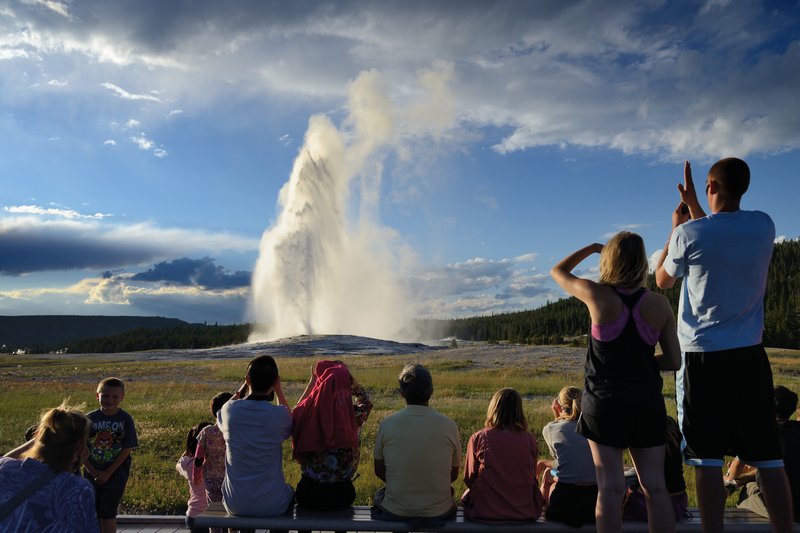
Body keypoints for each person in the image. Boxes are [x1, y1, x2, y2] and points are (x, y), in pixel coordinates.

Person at [655, 158, 794, 532]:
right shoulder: (763, 225)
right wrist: (697, 207)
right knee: (768, 457)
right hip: (750, 356)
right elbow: (718, 230)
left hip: (703, 357)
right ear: (742, 187)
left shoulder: (689, 235)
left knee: (706, 458)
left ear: (711, 187)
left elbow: (663, 280)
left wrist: (675, 228)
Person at [551, 231, 681, 533]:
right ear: (641, 262)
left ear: (611, 259)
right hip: (646, 404)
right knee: (655, 488)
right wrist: (642, 362)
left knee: (609, 488)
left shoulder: (598, 296)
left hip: (604, 404)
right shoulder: (659, 305)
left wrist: (594, 247)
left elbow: (557, 271)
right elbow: (674, 362)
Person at [372, 364, 461, 527]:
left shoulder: (387, 424)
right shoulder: (449, 425)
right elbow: (453, 475)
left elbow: (379, 470)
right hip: (439, 511)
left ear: (401, 393)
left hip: (396, 510)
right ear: (431, 392)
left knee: (380, 496)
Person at [0, 402, 99, 532]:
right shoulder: (76, 488)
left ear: (37, 436)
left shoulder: (6, 469)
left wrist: (39, 437)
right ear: (80, 445)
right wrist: (77, 460)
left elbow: (6, 459)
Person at [218, 354, 293, 520]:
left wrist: (242, 387)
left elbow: (219, 413)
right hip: (272, 503)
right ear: (275, 381)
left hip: (235, 503)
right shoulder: (278, 415)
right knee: (290, 493)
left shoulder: (230, 410)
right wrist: (279, 391)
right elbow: (291, 422)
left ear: (248, 380)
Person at [291, 360, 373, 512]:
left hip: (309, 494)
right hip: (342, 495)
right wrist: (353, 383)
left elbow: (296, 411)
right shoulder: (353, 415)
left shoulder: (307, 412)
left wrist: (313, 384)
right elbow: (366, 402)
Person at [461, 388, 544, 522]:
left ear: (493, 408)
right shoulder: (529, 439)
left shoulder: (479, 438)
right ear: (519, 411)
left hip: (485, 511)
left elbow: (469, 478)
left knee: (466, 496)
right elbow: (532, 476)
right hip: (524, 511)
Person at [725, 386, 800, 524]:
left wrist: (729, 478)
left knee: (748, 491)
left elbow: (736, 466)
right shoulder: (795, 429)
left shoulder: (764, 433)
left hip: (784, 510)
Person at [84, 377, 139, 533]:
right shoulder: (89, 419)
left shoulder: (125, 419)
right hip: (91, 472)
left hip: (116, 473)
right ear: (97, 395)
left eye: (115, 396)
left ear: (122, 397)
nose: (109, 400)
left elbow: (127, 447)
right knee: (93, 510)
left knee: (107, 511)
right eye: (105, 395)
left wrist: (108, 473)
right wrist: (92, 470)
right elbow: (81, 447)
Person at [537, 386, 598, 527]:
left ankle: (541, 507)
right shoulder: (595, 428)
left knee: (549, 476)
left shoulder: (550, 428)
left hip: (565, 500)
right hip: (595, 500)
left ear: (558, 405)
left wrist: (556, 416)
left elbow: (561, 461)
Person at [623, 416, 690, 522]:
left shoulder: (635, 422)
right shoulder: (669, 422)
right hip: (679, 503)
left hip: (645, 505)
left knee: (611, 484)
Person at [193, 392, 233, 504]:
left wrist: (196, 476)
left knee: (214, 509)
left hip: (211, 480)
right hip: (232, 479)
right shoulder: (234, 431)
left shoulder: (206, 431)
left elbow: (198, 458)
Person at [177, 422, 211, 533]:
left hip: (193, 516)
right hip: (214, 516)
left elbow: (178, 464)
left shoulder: (187, 463)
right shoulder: (215, 463)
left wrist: (190, 447)